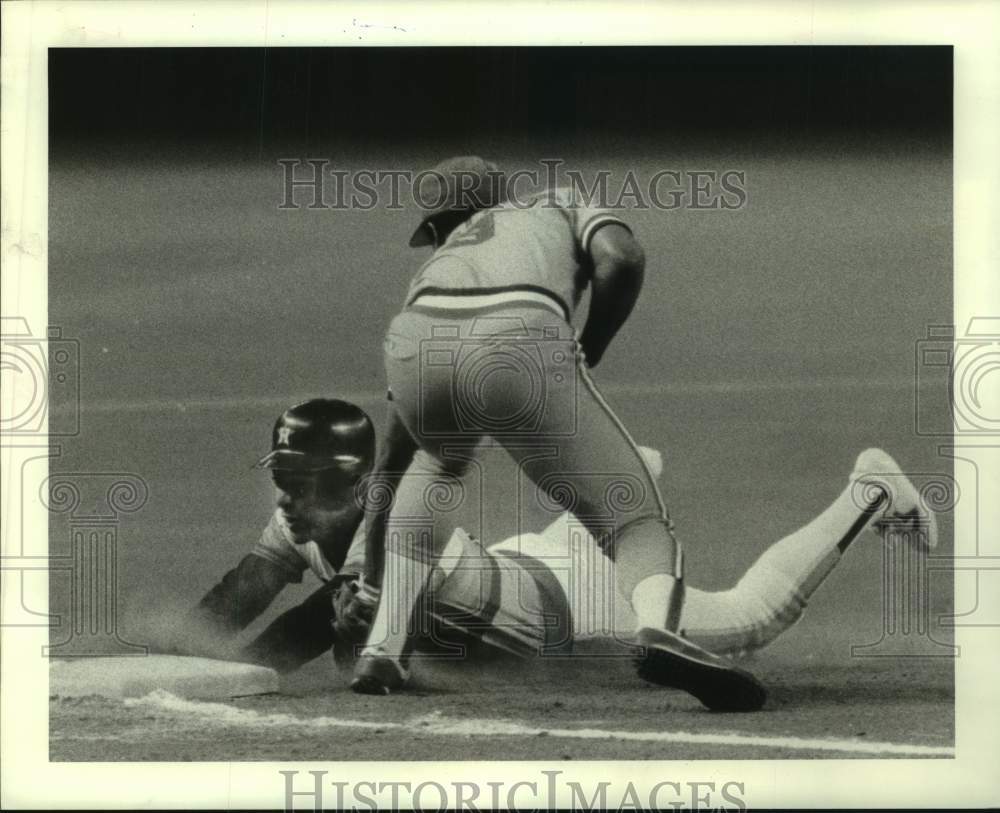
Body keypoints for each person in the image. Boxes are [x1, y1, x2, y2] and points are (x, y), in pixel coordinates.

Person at [346, 155, 930, 711]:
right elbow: (621, 257)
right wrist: (591, 343)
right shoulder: (554, 200)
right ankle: (664, 624)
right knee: (646, 530)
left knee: (437, 464)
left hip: (418, 345)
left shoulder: (431, 273)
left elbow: (390, 465)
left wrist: (369, 590)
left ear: (437, 227)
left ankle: (383, 648)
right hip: (562, 571)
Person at [171, 398, 938, 712]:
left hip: (583, 601)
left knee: (749, 618)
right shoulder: (306, 519)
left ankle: (868, 490)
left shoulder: (404, 545)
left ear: (351, 486)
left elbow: (316, 640)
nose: (287, 498)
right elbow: (246, 587)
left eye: (302, 482)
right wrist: (181, 651)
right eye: (282, 478)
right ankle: (624, 481)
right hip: (528, 562)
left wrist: (252, 669)